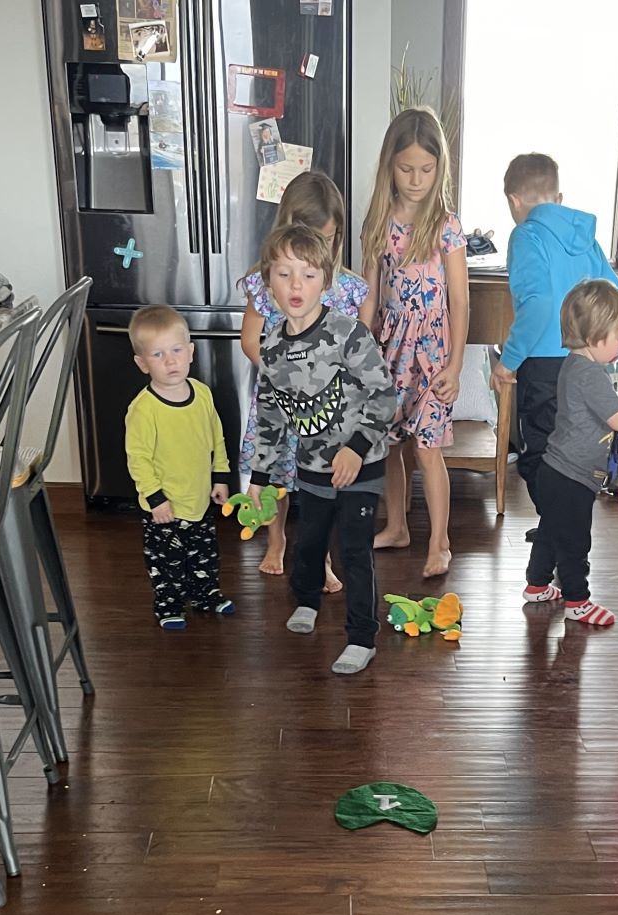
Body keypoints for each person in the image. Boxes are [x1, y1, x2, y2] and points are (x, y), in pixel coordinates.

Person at [248, 224, 397, 675]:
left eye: (309, 275)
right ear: (267, 280)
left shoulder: (349, 333)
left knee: (354, 549)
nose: (296, 286)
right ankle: (307, 603)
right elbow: (271, 413)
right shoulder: (270, 347)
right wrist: (260, 476)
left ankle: (362, 636)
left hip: (362, 462)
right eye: (285, 273)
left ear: (326, 282)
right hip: (311, 465)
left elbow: (385, 396)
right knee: (310, 543)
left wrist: (354, 448)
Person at [239, 170, 368, 589]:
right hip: (279, 402)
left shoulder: (347, 288)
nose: (317, 252)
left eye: (328, 240)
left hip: (325, 412)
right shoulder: (266, 282)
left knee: (322, 485)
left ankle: (322, 559)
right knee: (277, 475)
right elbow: (249, 339)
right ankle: (275, 541)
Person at [490, 153, 618, 536]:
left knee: (541, 454)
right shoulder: (584, 237)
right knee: (575, 449)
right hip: (587, 362)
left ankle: (558, 527)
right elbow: (617, 294)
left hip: (545, 364)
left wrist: (508, 362)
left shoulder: (526, 236)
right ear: (559, 197)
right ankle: (562, 524)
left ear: (514, 200)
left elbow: (538, 304)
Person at [359, 107, 468, 579]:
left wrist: (456, 366)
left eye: (427, 169)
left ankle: (440, 542)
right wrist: (361, 357)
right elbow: (368, 296)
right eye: (407, 169)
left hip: (433, 356)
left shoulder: (446, 224)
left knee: (427, 447)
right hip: (387, 352)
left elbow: (461, 303)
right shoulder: (378, 222)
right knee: (390, 444)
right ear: (390, 166)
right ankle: (398, 526)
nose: (417, 179)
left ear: (439, 168)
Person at [523, 279, 618, 627]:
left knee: (552, 530)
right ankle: (577, 602)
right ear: (595, 336)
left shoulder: (573, 364)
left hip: (555, 469)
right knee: (574, 541)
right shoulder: (591, 375)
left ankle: (537, 585)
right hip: (573, 476)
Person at [125, 304, 233, 631]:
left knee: (204, 554)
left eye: (176, 350)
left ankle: (203, 593)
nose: (170, 361)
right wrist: (155, 498)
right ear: (142, 363)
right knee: (166, 561)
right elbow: (138, 458)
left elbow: (216, 436)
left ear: (191, 352)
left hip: (198, 498)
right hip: (164, 506)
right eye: (158, 355)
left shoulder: (202, 394)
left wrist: (221, 477)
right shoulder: (144, 410)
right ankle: (169, 603)